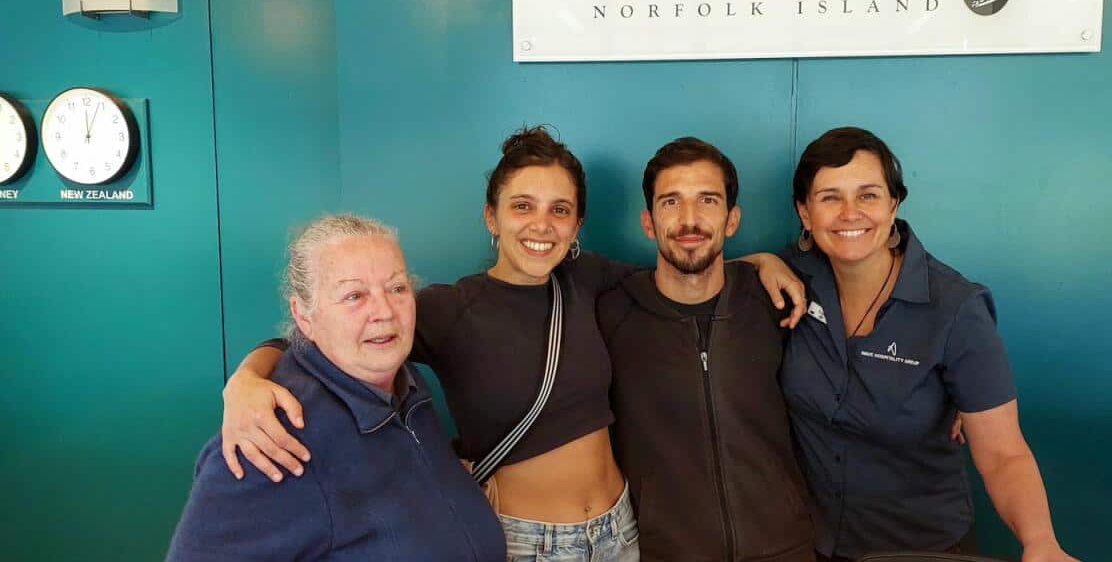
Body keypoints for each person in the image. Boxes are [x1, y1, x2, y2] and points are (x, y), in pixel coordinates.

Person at [218, 127, 806, 562]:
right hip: (526, 543)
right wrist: (247, 379)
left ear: (577, 227)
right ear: (491, 217)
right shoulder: (451, 308)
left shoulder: (590, 279)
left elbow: (687, 264)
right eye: (522, 207)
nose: (541, 225)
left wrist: (761, 261)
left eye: (560, 210)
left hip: (623, 533)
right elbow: (331, 337)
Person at [781, 127, 1079, 562]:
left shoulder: (955, 308)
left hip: (922, 549)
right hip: (812, 545)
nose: (850, 213)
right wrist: (763, 262)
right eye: (830, 197)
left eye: (867, 195)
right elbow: (707, 274)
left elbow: (1002, 454)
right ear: (805, 213)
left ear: (894, 204)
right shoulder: (790, 282)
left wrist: (1040, 542)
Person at [166, 214, 506, 561]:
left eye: (397, 288)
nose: (384, 311)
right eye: (354, 295)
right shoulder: (271, 441)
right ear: (304, 317)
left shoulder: (404, 385)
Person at [598, 138, 814, 561]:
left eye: (708, 200)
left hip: (785, 548)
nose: (690, 220)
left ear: (732, 219)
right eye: (671, 202)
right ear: (648, 221)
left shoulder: (777, 301)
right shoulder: (611, 314)